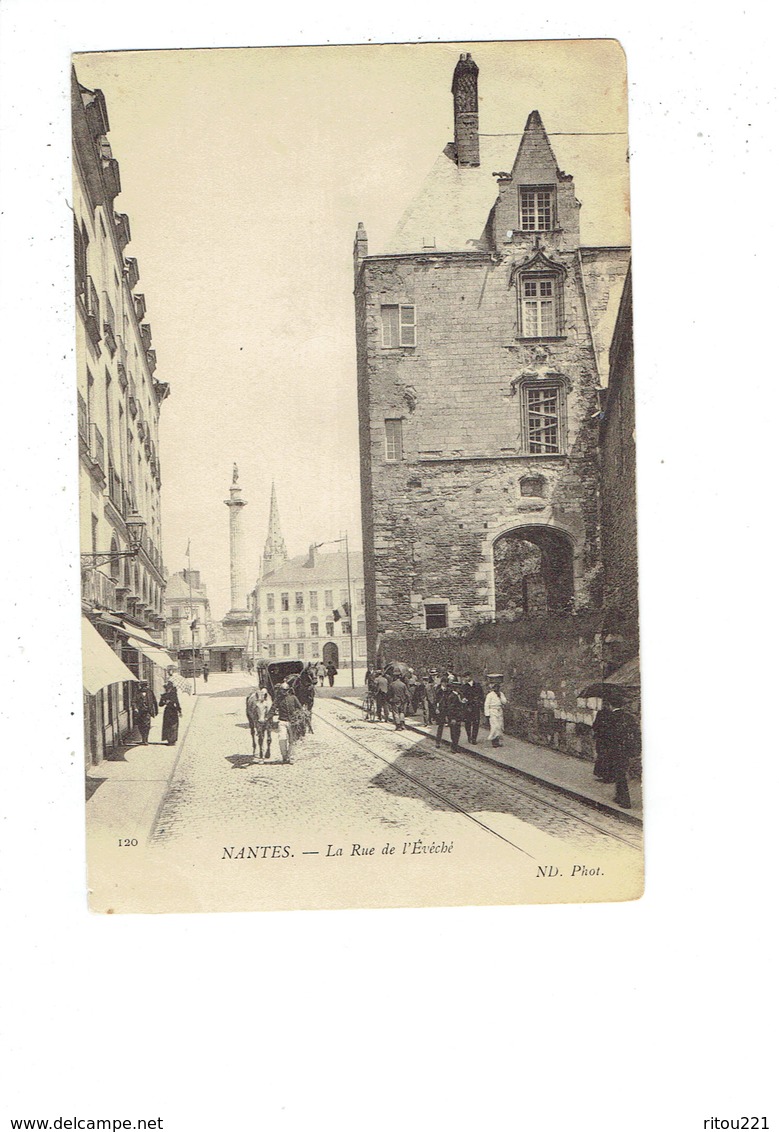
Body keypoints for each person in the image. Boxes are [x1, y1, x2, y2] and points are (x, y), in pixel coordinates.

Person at [592, 688, 640, 809]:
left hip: (614, 750)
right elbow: (636, 733)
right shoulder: (629, 717)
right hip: (626, 750)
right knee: (621, 773)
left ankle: (625, 801)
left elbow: (607, 735)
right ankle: (619, 797)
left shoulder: (611, 718)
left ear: (611, 705)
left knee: (620, 775)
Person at [272, 680, 303, 764]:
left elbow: (300, 708)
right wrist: (267, 718)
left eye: (286, 690)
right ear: (280, 690)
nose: (284, 692)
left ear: (288, 690)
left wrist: (299, 717)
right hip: (282, 721)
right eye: (283, 690)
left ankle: (291, 756)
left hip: (292, 722)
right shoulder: (278, 699)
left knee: (292, 740)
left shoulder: (293, 698)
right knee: (282, 739)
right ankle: (284, 756)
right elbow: (272, 709)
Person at [484, 678, 508, 748]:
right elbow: (486, 704)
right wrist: (487, 714)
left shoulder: (501, 694)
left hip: (499, 711)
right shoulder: (490, 695)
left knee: (500, 726)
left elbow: (504, 702)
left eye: (498, 688)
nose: (497, 689)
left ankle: (497, 742)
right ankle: (493, 741)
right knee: (495, 726)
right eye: (495, 688)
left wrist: (500, 696)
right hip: (492, 711)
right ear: (493, 688)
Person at [462, 672, 485, 744]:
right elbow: (462, 696)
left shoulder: (477, 685)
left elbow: (481, 696)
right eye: (465, 677)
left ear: (470, 677)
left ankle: (474, 738)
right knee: (467, 722)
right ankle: (469, 736)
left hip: (476, 707)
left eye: (467, 677)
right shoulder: (464, 687)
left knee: (476, 722)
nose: (466, 679)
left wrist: (481, 705)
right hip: (468, 707)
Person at [133, 680, 158, 745]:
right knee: (140, 726)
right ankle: (143, 739)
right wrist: (135, 708)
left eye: (145, 686)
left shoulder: (150, 692)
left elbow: (154, 701)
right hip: (140, 712)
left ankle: (146, 740)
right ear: (141, 686)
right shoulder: (137, 692)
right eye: (143, 686)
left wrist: (156, 711)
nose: (144, 688)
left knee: (147, 725)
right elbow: (134, 701)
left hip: (148, 711)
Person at [159, 681, 182, 746]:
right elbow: (160, 704)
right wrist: (164, 702)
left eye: (169, 688)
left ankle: (173, 740)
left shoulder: (174, 694)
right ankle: (169, 740)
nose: (168, 689)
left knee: (174, 726)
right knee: (167, 726)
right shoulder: (163, 695)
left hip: (173, 711)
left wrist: (179, 711)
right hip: (167, 711)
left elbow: (177, 703)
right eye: (167, 688)